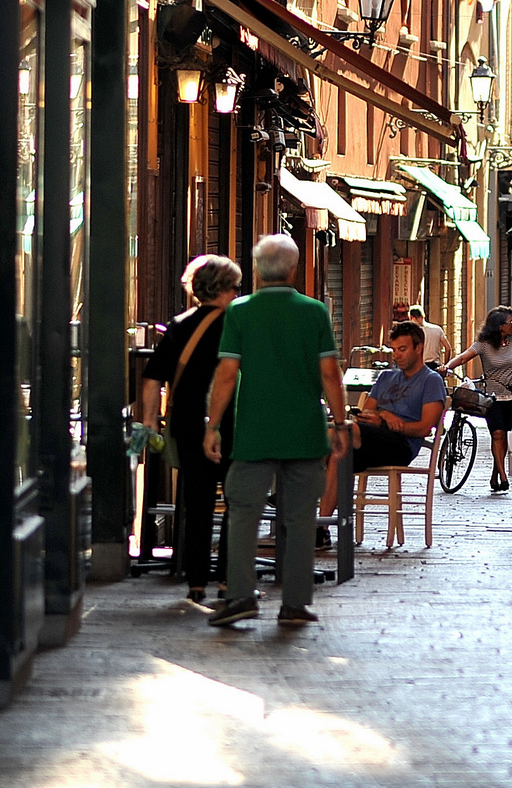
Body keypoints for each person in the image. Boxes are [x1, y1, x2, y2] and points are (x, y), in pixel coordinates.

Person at [204, 235, 348, 627]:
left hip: (254, 433)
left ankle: (240, 596)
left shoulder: (241, 312)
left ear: (255, 271)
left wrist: (213, 425)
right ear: (293, 269)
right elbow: (330, 373)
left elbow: (227, 373)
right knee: (301, 519)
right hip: (304, 432)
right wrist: (340, 422)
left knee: (243, 513)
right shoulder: (314, 312)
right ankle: (295, 603)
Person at [139, 254, 242, 604]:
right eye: (236, 287)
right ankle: (229, 581)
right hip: (231, 423)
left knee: (196, 504)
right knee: (237, 503)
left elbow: (152, 378)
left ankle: (196, 582)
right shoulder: (236, 324)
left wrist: (151, 421)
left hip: (186, 425)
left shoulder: (180, 325)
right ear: (225, 289)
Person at [319, 321, 446, 523]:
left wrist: (386, 419)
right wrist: (383, 417)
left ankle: (293, 489)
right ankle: (321, 529)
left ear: (419, 348)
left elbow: (424, 428)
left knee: (340, 433)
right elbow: (368, 411)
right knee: (338, 451)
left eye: (402, 349)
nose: (396, 355)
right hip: (368, 440)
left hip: (401, 445)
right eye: (394, 350)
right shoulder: (387, 376)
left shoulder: (431, 380)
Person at [442, 305, 512, 494]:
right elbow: (463, 357)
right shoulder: (484, 344)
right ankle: (503, 476)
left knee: (505, 436)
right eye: (510, 322)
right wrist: (447, 367)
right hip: (493, 398)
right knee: (497, 435)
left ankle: (495, 474)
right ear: (499, 326)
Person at [408, 305, 452, 370]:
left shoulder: (413, 332)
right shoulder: (437, 329)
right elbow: (448, 348)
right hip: (436, 366)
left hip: (420, 367)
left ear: (412, 318)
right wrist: (445, 366)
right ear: (423, 316)